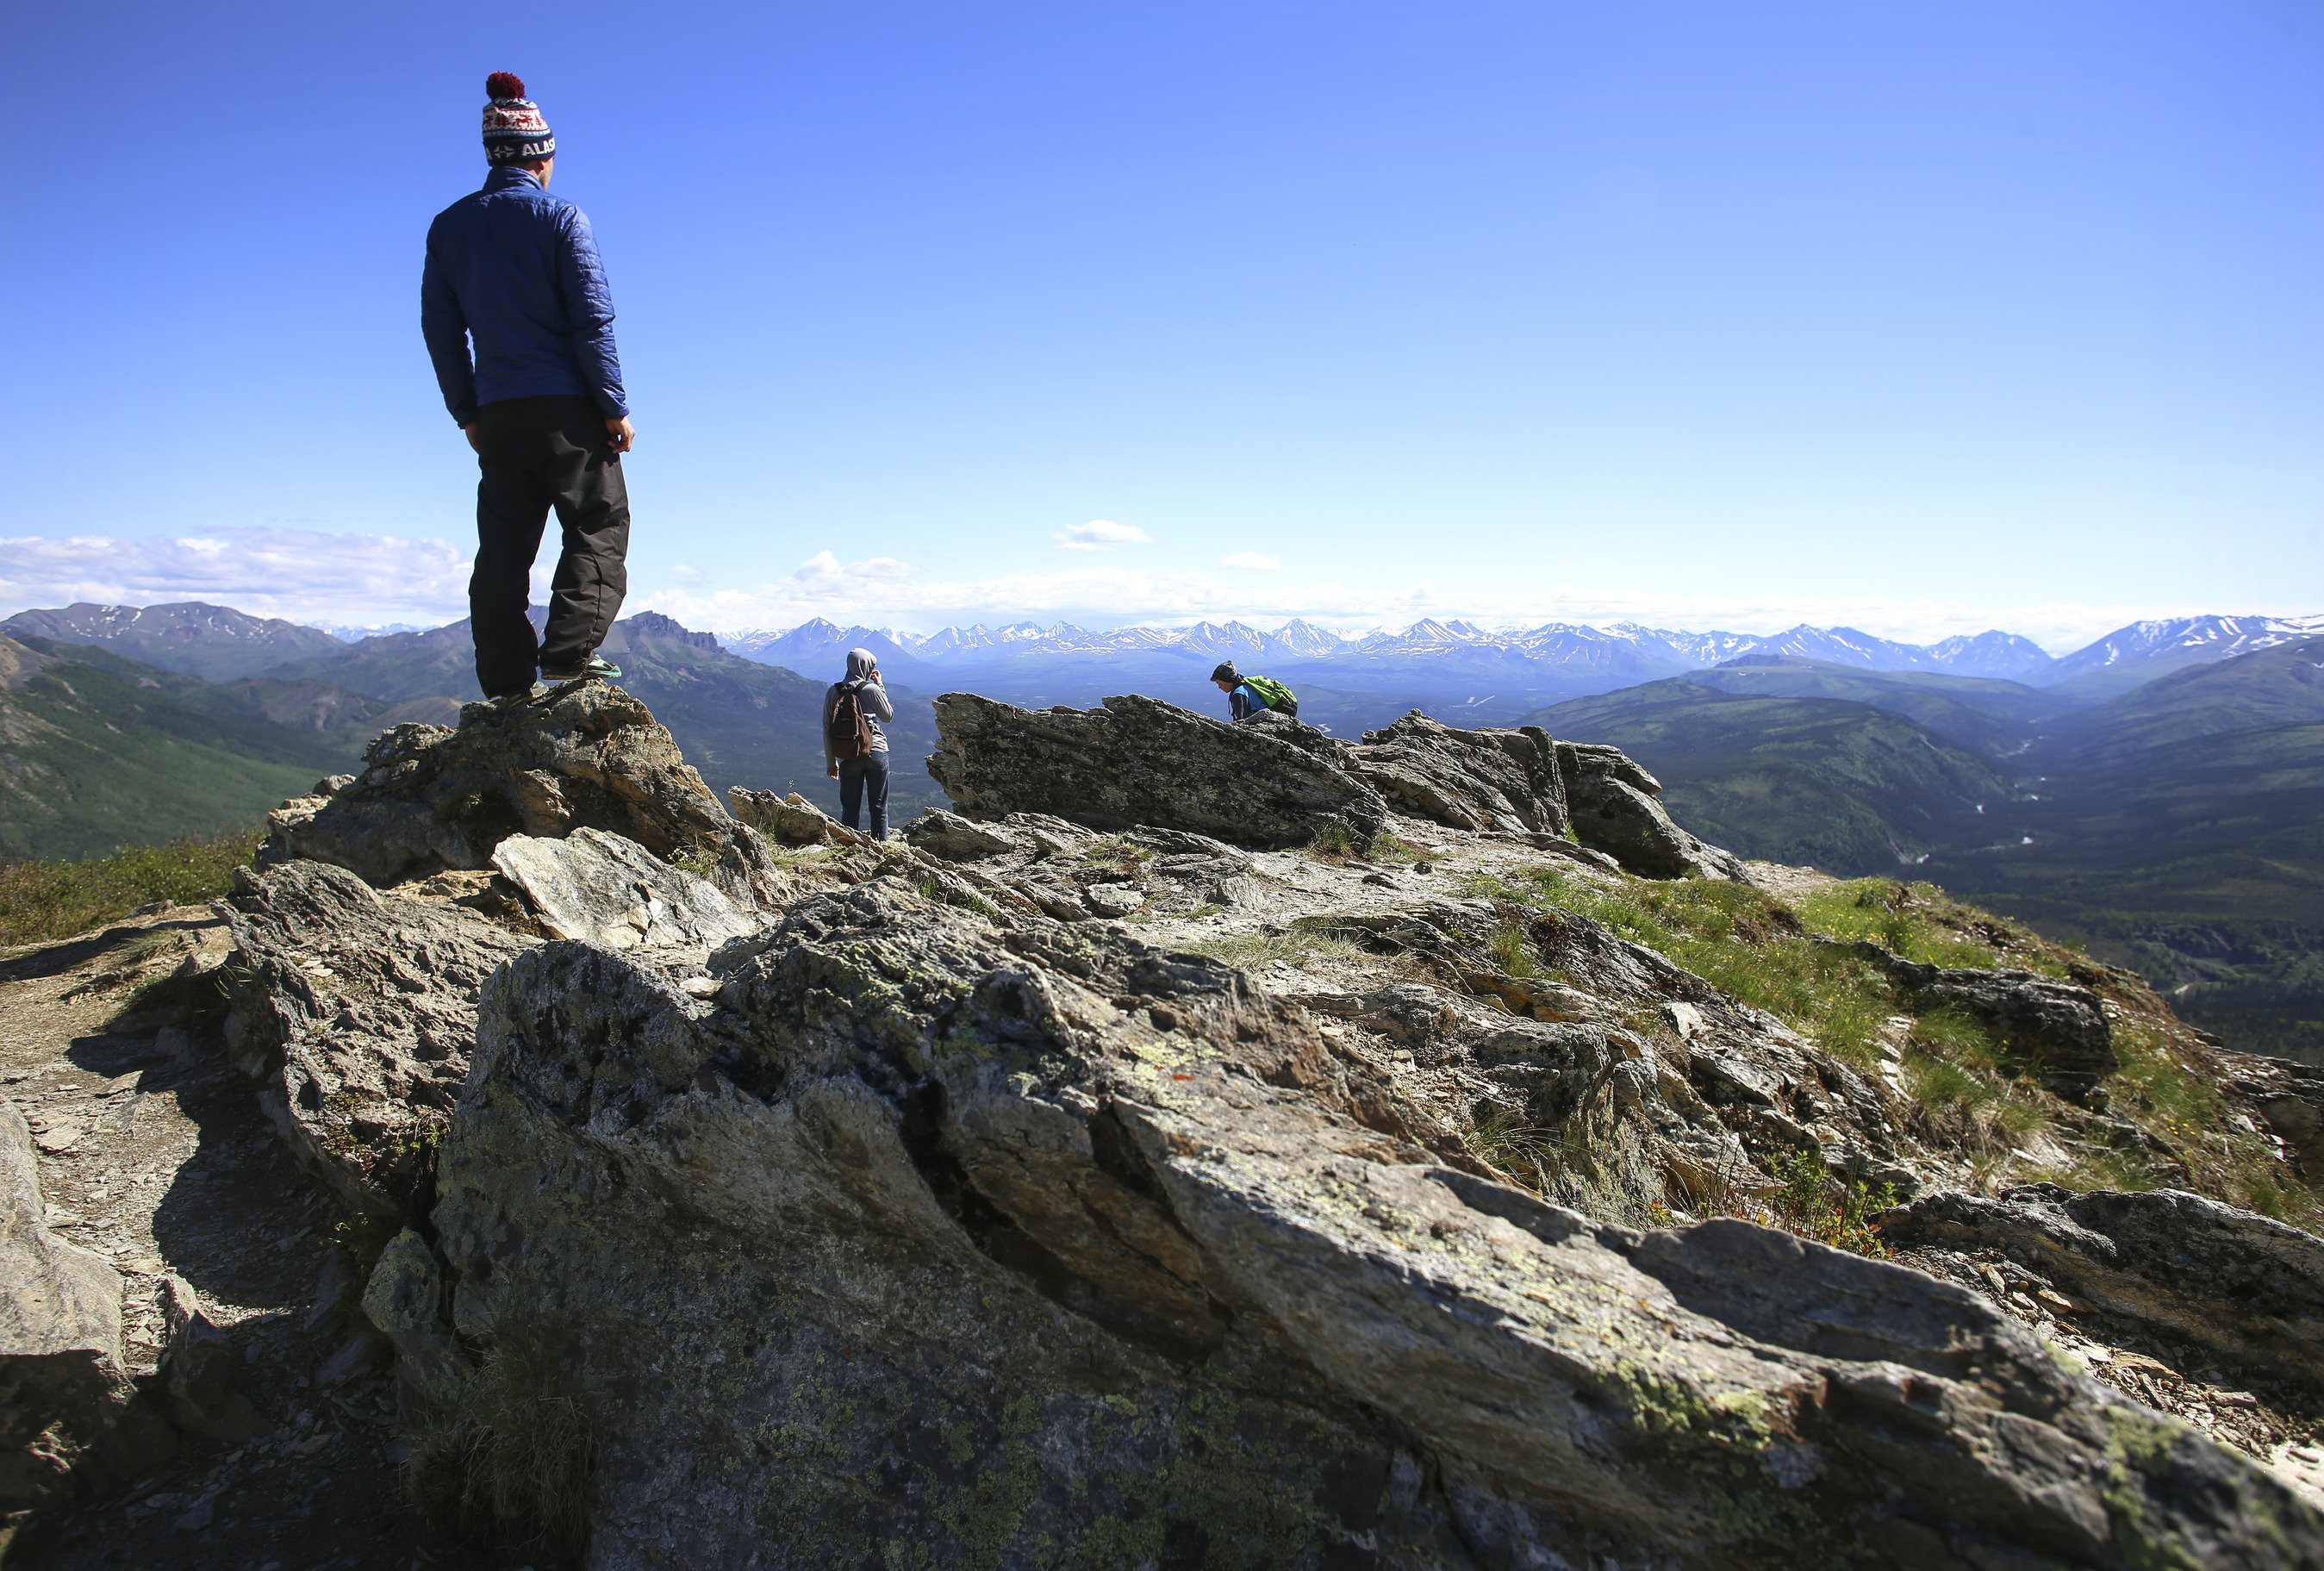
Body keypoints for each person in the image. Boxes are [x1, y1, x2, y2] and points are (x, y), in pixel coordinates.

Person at [422, 71, 636, 702]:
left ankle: (506, 686)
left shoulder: (449, 228)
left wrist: (467, 411)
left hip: (499, 412)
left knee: (504, 550)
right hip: (569, 408)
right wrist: (613, 405)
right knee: (598, 522)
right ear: (541, 156)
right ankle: (568, 657)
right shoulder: (562, 218)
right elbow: (590, 320)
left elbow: (441, 331)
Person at [825, 648, 896, 841]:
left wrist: (832, 763)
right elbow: (887, 716)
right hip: (876, 751)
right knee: (879, 806)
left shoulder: (834, 691)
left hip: (848, 754)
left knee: (850, 807)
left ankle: (849, 847)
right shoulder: (871, 689)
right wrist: (880, 685)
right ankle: (881, 848)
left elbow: (827, 729)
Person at [1210, 661, 1298, 720]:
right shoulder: (1246, 685)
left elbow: (1241, 722)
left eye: (1220, 683)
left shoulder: (1239, 694)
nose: (1219, 687)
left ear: (1227, 680)